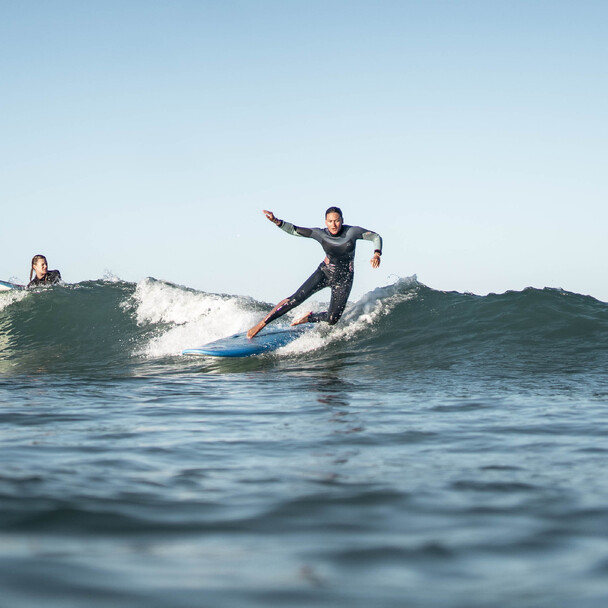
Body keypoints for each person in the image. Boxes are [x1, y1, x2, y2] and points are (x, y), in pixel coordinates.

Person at [247, 207, 382, 338]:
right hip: (324, 272)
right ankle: (261, 325)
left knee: (332, 319)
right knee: (295, 299)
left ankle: (309, 317)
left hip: (344, 279)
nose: (333, 225)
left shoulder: (352, 232)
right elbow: (294, 230)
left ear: (342, 220)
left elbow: (375, 237)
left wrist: (376, 254)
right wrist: (276, 221)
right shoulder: (320, 233)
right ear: (325, 222)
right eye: (330, 221)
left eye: (337, 220)